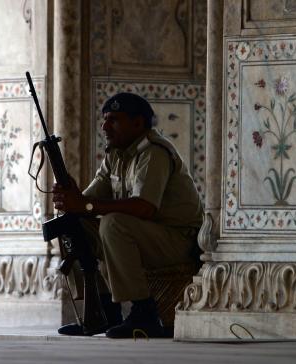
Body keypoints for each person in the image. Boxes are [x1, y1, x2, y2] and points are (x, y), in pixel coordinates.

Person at [52, 92, 203, 338]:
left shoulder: (154, 152)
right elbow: (87, 202)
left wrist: (86, 205)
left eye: (114, 120)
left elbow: (145, 207)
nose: (105, 126)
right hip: (146, 236)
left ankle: (144, 313)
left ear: (138, 123)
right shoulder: (115, 155)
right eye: (105, 120)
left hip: (178, 241)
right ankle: (102, 312)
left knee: (113, 224)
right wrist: (71, 198)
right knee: (72, 222)